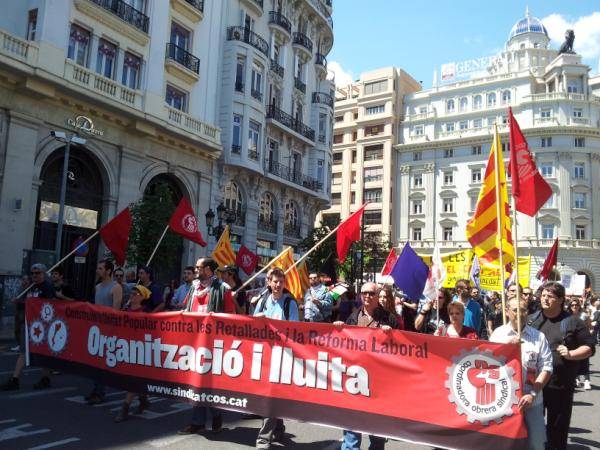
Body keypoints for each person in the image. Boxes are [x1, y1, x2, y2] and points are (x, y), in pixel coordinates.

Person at [528, 281, 595, 450]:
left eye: (550, 296)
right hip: (534, 384)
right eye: (543, 295)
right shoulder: (531, 320)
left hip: (560, 384)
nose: (545, 299)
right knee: (532, 427)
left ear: (560, 300)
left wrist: (571, 354)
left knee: (557, 428)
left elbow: (589, 347)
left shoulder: (573, 322)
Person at [333, 282, 399, 450]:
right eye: (364, 293)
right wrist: (340, 330)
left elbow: (402, 350)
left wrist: (391, 335)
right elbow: (343, 345)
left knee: (377, 434)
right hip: (355, 380)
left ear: (377, 296)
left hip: (379, 384)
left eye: (371, 293)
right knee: (351, 432)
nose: (367, 296)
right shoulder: (353, 317)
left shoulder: (390, 319)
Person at [179, 258, 236, 436]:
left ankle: (215, 414)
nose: (196, 270)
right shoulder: (193, 288)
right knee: (197, 382)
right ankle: (199, 422)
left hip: (214, 344)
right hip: (195, 342)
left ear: (209, 269)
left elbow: (231, 316)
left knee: (208, 384)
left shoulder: (223, 290)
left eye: (199, 267)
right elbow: (186, 310)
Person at [490, 297, 553, 450]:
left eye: (524, 310)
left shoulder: (538, 337)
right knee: (505, 444)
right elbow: (488, 364)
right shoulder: (498, 335)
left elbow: (547, 367)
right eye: (516, 310)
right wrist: (505, 347)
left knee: (536, 444)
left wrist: (532, 393)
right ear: (507, 311)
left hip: (531, 400)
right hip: (504, 402)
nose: (520, 313)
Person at [253, 267, 299, 449]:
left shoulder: (290, 303)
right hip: (264, 354)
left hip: (283, 356)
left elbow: (295, 331)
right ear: (269, 283)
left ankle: (263, 438)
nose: (278, 285)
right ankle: (278, 428)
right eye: (275, 282)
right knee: (272, 394)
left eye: (281, 282)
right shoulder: (263, 300)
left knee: (271, 395)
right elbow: (252, 322)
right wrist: (258, 318)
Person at [2, 264, 56, 390]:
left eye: (37, 273)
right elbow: (27, 305)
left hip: (42, 325)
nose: (34, 275)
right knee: (23, 351)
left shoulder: (47, 287)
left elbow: (50, 305)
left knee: (44, 352)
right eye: (32, 273)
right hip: (29, 323)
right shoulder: (31, 287)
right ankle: (15, 379)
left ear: (43, 274)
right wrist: (19, 302)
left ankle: (45, 378)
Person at [86, 260, 123, 405]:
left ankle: (100, 392)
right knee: (95, 360)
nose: (97, 270)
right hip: (96, 328)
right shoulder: (98, 287)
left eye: (100, 268)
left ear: (108, 271)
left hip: (108, 329)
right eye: (97, 268)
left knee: (103, 362)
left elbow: (115, 310)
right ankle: (96, 389)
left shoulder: (116, 287)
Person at [114, 285, 152, 422]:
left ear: (142, 297)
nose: (132, 295)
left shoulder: (146, 312)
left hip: (139, 348)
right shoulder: (126, 309)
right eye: (131, 293)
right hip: (126, 347)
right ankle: (143, 399)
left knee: (132, 380)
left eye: (136, 293)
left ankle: (124, 408)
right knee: (132, 379)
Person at [568, 300, 592, 390]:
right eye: (572, 305)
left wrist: (588, 335)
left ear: (579, 306)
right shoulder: (567, 316)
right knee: (574, 361)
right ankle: (576, 379)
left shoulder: (584, 315)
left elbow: (590, 327)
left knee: (585, 360)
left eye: (576, 305)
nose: (574, 306)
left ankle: (587, 380)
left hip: (583, 341)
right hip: (572, 342)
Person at [10, 275, 31, 352]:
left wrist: (18, 301)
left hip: (24, 311)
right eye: (23, 279)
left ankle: (22, 345)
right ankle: (20, 344)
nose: (24, 281)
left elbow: (29, 302)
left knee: (22, 328)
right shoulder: (20, 289)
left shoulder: (30, 290)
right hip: (18, 310)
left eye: (26, 280)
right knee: (17, 329)